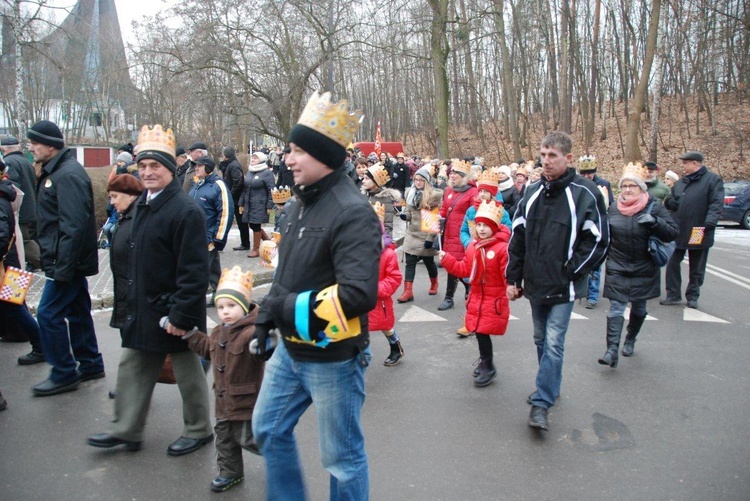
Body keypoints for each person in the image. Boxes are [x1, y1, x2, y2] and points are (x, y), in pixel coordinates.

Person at [251, 91, 381, 500]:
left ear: (324, 155)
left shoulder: (352, 211)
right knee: (268, 430)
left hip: (334, 357)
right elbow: (287, 275)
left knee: (341, 460)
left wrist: (283, 308)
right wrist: (265, 318)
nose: (287, 160)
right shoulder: (295, 206)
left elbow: (359, 294)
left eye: (296, 151)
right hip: (290, 350)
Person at [87, 125, 213, 456]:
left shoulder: (186, 212)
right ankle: (126, 429)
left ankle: (199, 429)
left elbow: (195, 271)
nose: (147, 172)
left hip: (174, 309)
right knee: (132, 364)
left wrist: (182, 314)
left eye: (155, 166)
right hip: (144, 305)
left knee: (188, 373)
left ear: (170, 169)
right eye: (142, 166)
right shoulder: (142, 203)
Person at [506, 131, 609, 431]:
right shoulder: (532, 192)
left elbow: (598, 241)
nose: (546, 161)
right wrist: (514, 277)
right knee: (541, 339)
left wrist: (572, 271)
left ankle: (542, 402)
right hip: (536, 282)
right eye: (543, 154)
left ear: (568, 158)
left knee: (553, 342)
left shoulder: (585, 193)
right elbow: (518, 236)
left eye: (553, 156)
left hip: (564, 285)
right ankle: (550, 384)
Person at [27, 120, 104, 396]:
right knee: (78, 311)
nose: (31, 147)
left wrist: (62, 267)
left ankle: (63, 372)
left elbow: (74, 226)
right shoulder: (58, 171)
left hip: (66, 263)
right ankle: (91, 363)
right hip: (66, 261)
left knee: (48, 315)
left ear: (51, 145)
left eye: (35, 142)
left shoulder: (67, 174)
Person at [174, 266, 265, 493]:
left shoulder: (251, 332)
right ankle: (230, 473)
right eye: (221, 307)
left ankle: (280, 455)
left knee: (247, 438)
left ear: (244, 307)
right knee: (224, 439)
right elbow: (208, 349)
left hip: (245, 402)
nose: (225, 311)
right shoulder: (218, 332)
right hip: (223, 402)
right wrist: (190, 335)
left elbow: (263, 348)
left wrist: (263, 344)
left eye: (232, 306)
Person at [598, 164, 678, 367]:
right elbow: (604, 238)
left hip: (644, 267)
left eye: (632, 186)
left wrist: (655, 222)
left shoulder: (654, 206)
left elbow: (673, 233)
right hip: (617, 266)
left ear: (641, 188)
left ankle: (631, 339)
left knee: (639, 308)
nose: (627, 190)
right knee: (616, 308)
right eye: (624, 186)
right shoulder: (614, 209)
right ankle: (611, 350)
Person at [439, 200, 511, 387]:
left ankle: (488, 365)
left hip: (493, 298)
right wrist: (447, 259)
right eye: (478, 225)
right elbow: (464, 269)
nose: (481, 229)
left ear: (494, 227)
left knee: (483, 331)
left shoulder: (502, 248)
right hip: (477, 297)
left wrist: (513, 287)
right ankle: (485, 361)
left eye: (486, 225)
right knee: (479, 332)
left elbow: (507, 274)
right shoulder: (473, 247)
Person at [661, 151, 724, 309]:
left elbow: (716, 204)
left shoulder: (712, 180)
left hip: (699, 229)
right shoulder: (682, 182)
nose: (683, 166)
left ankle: (693, 295)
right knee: (673, 262)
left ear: (695, 163)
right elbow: (671, 199)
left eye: (685, 163)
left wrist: (709, 223)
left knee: (697, 265)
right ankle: (673, 294)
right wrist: (670, 203)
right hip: (678, 229)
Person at [455, 168, 511, 337]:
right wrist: (469, 243)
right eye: (481, 191)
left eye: (486, 192)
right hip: (475, 252)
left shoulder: (501, 211)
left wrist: (495, 243)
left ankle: (489, 320)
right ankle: (469, 322)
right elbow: (464, 230)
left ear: (493, 194)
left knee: (489, 290)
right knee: (475, 290)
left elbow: (507, 230)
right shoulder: (472, 211)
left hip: (493, 254)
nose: (482, 195)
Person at [0, 173, 43, 363]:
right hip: (11, 261)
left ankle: (41, 347)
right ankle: (41, 346)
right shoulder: (5, 196)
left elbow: (2, 235)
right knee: (16, 307)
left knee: (16, 307)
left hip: (6, 264)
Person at [189, 155, 233, 305]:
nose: (196, 168)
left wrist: (218, 238)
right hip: (194, 237)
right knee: (212, 269)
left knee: (200, 270)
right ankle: (218, 293)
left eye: (199, 166)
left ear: (207, 168)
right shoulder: (197, 185)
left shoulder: (218, 185)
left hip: (208, 237)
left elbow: (226, 211)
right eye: (195, 166)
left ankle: (195, 299)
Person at [397, 166, 443, 303]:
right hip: (412, 233)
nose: (417, 182)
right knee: (410, 262)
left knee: (429, 261)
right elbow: (411, 213)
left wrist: (430, 238)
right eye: (416, 180)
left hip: (425, 233)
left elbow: (433, 220)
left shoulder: (432, 197)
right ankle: (408, 291)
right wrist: (406, 216)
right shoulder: (411, 194)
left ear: (426, 182)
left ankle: (434, 283)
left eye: (421, 180)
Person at [438, 160, 477, 311]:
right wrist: (438, 217)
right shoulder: (448, 190)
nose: (452, 176)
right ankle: (467, 290)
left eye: (456, 173)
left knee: (457, 266)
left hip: (462, 235)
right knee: (452, 265)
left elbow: (474, 216)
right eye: (451, 173)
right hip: (448, 235)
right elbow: (444, 209)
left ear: (464, 176)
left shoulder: (472, 192)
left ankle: (449, 297)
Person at [578, 155, 614, 309]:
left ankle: (593, 295)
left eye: (590, 173)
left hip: (598, 227)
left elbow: (610, 205)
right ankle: (583, 290)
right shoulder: (578, 185)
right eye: (584, 174)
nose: (587, 176)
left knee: (595, 265)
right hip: (582, 228)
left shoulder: (603, 185)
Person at [1, 135, 40, 270]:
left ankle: (46, 262)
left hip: (20, 210)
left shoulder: (9, 163)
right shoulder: (26, 162)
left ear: (3, 149)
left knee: (23, 241)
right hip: (30, 207)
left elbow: (13, 190)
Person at [369, 223, 404, 366]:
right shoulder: (356, 253)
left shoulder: (388, 254)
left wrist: (374, 288)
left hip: (379, 300)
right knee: (356, 328)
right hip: (359, 298)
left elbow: (394, 278)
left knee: (386, 327)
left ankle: (395, 347)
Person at [239, 151, 274, 258]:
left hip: (260, 204)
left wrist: (269, 205)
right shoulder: (250, 172)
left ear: (261, 160)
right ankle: (270, 244)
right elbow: (244, 189)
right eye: (252, 158)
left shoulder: (267, 173)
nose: (252, 160)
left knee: (255, 225)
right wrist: (241, 203)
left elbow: (271, 190)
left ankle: (256, 249)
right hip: (249, 204)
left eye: (255, 158)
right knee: (253, 225)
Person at [361, 162, 402, 239]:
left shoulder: (385, 199)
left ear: (376, 181)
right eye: (363, 178)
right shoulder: (364, 195)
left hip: (376, 241)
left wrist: (383, 242)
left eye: (367, 178)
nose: (363, 181)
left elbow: (387, 226)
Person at [218, 146, 247, 251]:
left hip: (236, 198)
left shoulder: (234, 165)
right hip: (234, 197)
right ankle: (245, 242)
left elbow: (238, 181)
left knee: (241, 222)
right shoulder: (231, 164)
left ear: (225, 155)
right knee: (240, 222)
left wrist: (230, 194)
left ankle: (245, 243)